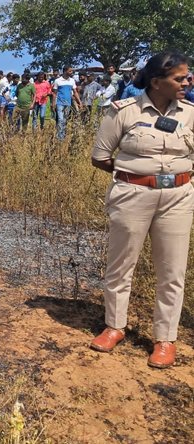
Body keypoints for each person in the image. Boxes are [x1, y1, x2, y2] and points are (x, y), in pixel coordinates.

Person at [89, 52, 194, 369]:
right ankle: (114, 327)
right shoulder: (123, 111)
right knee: (121, 266)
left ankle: (164, 339)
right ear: (157, 81)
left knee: (172, 271)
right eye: (180, 78)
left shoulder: (191, 113)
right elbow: (100, 156)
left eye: (187, 76)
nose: (187, 82)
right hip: (133, 195)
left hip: (178, 197)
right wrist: (136, 178)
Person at [52, 66, 82, 139]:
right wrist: (53, 104)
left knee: (65, 120)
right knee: (60, 119)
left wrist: (80, 102)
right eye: (70, 71)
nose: (71, 73)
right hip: (59, 103)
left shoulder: (72, 81)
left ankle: (63, 135)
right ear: (65, 71)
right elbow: (55, 93)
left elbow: (75, 92)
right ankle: (60, 137)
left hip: (68, 103)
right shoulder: (57, 81)